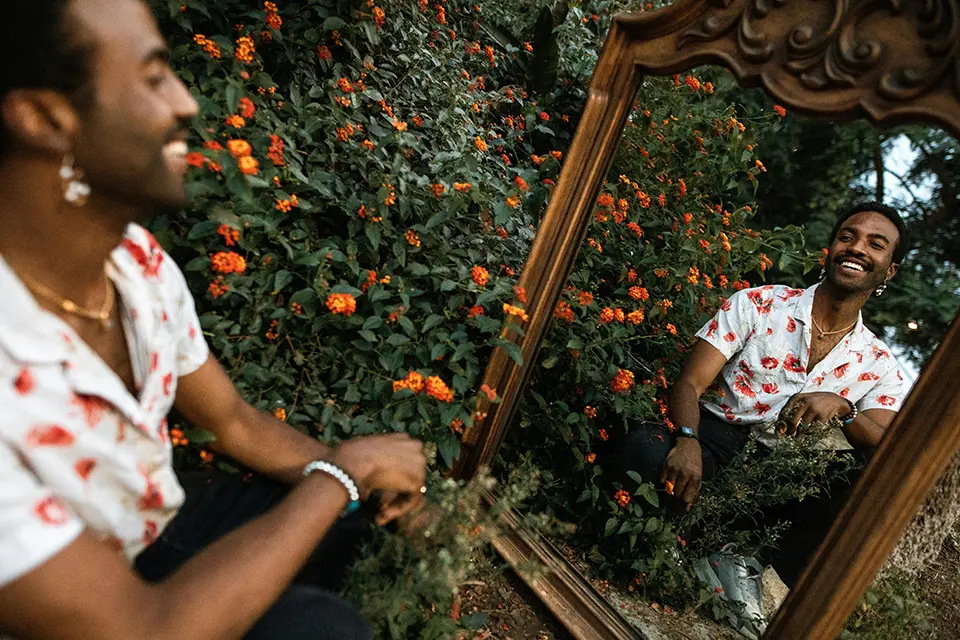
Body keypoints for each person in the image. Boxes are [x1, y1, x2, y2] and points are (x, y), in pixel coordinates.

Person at [0, 1, 428, 639]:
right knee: (319, 626)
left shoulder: (136, 265)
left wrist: (372, 489)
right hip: (85, 609)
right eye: (153, 78)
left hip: (145, 537)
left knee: (356, 523)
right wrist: (345, 472)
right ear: (43, 117)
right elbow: (142, 631)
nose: (186, 102)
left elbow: (232, 422)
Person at [608, 201, 909, 589]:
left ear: (890, 270)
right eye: (847, 237)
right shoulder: (759, 303)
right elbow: (690, 383)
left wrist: (844, 408)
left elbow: (884, 441)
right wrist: (687, 440)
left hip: (786, 481)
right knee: (646, 449)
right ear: (831, 248)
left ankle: (762, 581)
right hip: (717, 443)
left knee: (865, 475)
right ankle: (671, 551)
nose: (857, 248)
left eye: (875, 244)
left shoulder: (879, 362)